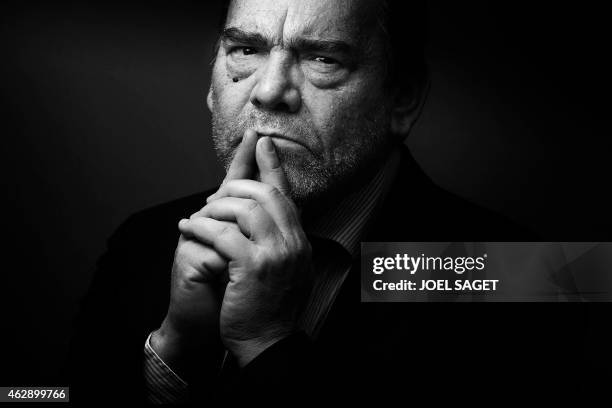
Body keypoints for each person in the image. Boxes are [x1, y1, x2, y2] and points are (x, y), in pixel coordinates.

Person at [67, 0, 587, 404]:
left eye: (323, 57)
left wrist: (267, 341)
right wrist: (175, 354)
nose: (268, 91)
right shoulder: (142, 241)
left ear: (402, 98)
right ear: (211, 83)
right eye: (245, 50)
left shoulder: (536, 274)